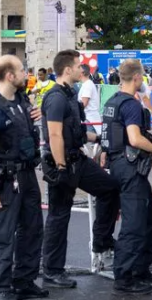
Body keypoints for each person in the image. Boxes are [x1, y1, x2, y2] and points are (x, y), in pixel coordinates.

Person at [40, 50, 119, 289]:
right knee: (59, 216)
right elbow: (54, 134)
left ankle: (102, 241)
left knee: (110, 188)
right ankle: (52, 271)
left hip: (78, 159)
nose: (81, 68)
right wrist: (61, 166)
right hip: (62, 164)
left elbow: (76, 131)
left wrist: (101, 140)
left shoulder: (70, 96)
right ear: (67, 69)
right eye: (78, 65)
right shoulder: (56, 97)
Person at [0, 55, 47, 300]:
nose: (27, 74)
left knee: (32, 229)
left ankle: (23, 280)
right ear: (10, 76)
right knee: (4, 235)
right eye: (23, 70)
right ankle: (1, 288)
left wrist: (33, 113)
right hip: (6, 180)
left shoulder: (22, 100)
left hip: (27, 175)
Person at [101, 59, 152, 294]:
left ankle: (140, 268)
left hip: (118, 165)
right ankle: (125, 276)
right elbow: (135, 138)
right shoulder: (130, 105)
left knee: (149, 216)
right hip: (130, 168)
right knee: (135, 221)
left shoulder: (111, 101)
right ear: (137, 78)